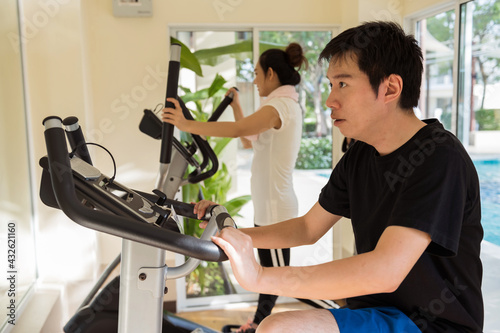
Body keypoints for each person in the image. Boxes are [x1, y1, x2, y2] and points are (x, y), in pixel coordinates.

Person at [193, 21, 484, 333]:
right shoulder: (360, 154)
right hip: (379, 313)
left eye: (342, 85)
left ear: (390, 88)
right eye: (330, 85)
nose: (330, 101)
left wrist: (261, 276)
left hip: (434, 326)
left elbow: (385, 271)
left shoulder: (439, 157)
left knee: (278, 328)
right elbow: (307, 227)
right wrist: (238, 238)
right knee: (277, 326)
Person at [163, 43, 316, 332]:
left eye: (257, 73)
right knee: (268, 273)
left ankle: (258, 324)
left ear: (271, 74)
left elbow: (237, 132)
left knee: (274, 275)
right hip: (269, 206)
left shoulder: (279, 106)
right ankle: (257, 323)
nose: (255, 80)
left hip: (278, 209)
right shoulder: (279, 107)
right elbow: (248, 139)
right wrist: (236, 106)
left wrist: (186, 123)